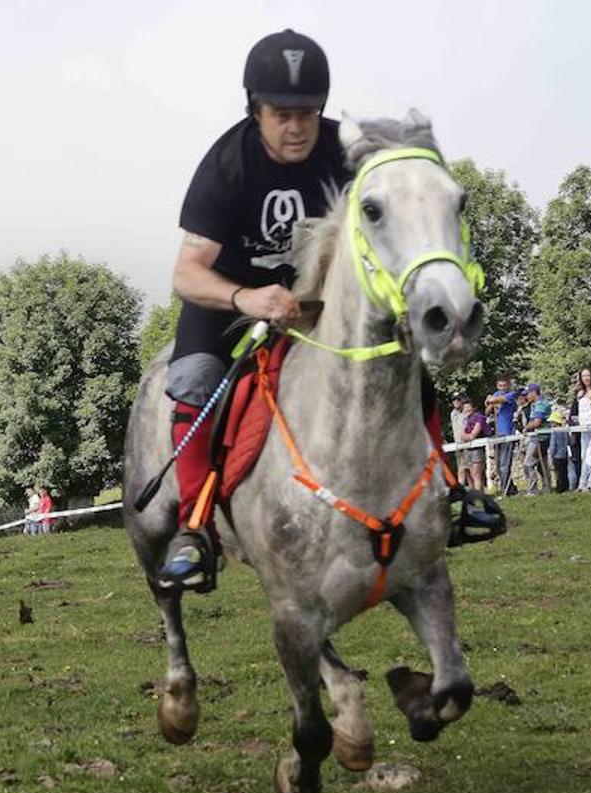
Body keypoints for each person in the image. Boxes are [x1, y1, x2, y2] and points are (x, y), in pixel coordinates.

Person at [155, 29, 351, 590]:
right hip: (228, 301)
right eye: (281, 114)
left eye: (308, 113)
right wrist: (247, 298)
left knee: (398, 355)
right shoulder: (225, 165)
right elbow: (186, 273)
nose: (296, 127)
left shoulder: (345, 153)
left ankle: (450, 493)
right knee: (193, 379)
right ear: (255, 110)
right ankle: (195, 528)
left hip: (314, 301)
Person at [485, 376, 520, 495]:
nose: (502, 388)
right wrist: (490, 402)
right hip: (497, 433)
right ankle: (510, 488)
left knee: (505, 464)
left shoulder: (510, 395)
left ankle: (506, 490)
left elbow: (495, 400)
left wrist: (490, 399)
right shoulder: (496, 395)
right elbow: (487, 410)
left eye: (504, 385)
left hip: (507, 432)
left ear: (508, 386)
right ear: (497, 386)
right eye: (500, 386)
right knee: (499, 464)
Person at [522, 384, 553, 494]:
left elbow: (537, 422)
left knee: (528, 464)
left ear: (534, 392)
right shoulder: (535, 405)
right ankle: (547, 487)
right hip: (537, 438)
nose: (527, 397)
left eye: (528, 394)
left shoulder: (541, 405)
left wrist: (525, 428)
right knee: (542, 464)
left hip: (540, 439)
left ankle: (533, 489)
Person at [460, 398, 487, 490]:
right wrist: (465, 436)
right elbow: (462, 435)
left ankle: (479, 496)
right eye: (464, 407)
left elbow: (472, 435)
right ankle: (475, 496)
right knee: (470, 474)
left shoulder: (479, 417)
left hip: (478, 449)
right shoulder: (466, 419)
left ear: (473, 408)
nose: (466, 409)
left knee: (476, 475)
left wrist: (466, 436)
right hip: (468, 448)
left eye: (468, 407)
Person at [450, 394, 472, 488]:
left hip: (469, 443)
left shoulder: (467, 412)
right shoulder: (454, 413)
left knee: (470, 468)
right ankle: (461, 489)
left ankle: (473, 489)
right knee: (462, 468)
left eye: (458, 399)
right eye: (453, 400)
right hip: (459, 444)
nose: (455, 401)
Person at [548, 407, 571, 493]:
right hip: (564, 455)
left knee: (558, 473)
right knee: (564, 472)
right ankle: (566, 487)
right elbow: (568, 441)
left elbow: (553, 444)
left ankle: (560, 488)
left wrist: (551, 454)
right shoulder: (564, 430)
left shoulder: (554, 432)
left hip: (557, 456)